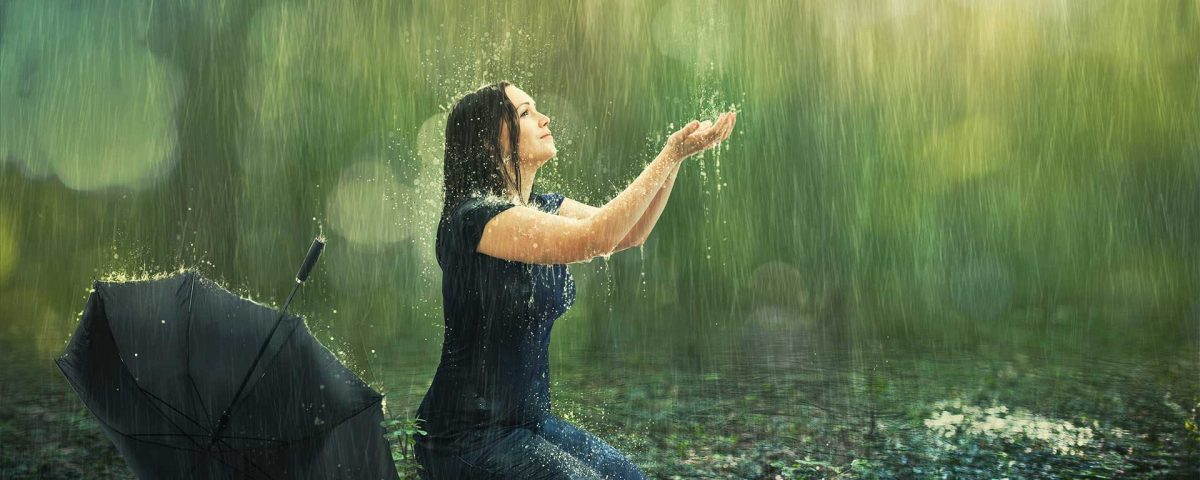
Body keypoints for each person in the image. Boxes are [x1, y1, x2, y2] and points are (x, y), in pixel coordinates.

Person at [414, 81, 736, 479]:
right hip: (467, 438)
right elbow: (595, 238)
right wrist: (667, 152)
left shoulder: (541, 207)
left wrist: (676, 160)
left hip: (528, 423)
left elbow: (629, 234)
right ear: (485, 143)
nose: (544, 118)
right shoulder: (475, 218)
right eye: (525, 113)